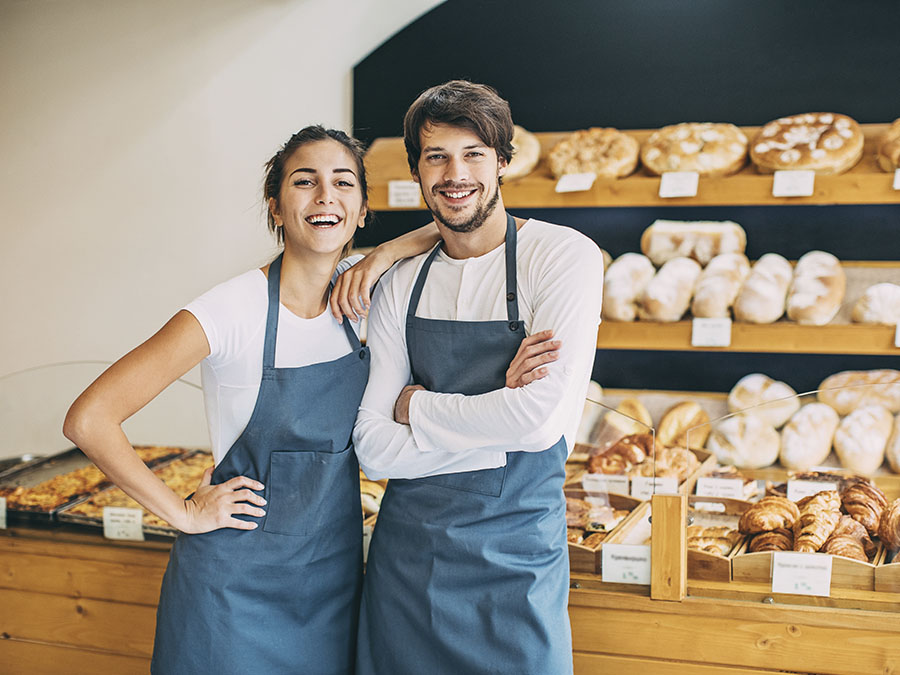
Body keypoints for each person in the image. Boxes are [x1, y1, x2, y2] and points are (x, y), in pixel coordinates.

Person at [63, 124, 555, 674]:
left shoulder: (366, 293)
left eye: (344, 184)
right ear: (275, 207)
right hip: (233, 591)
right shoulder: (230, 310)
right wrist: (181, 513)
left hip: (331, 582)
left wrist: (384, 252)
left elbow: (447, 234)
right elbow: (90, 418)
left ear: (363, 210)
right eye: (305, 182)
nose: (326, 197)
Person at [353, 80, 605, 675]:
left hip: (515, 563)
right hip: (407, 564)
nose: (454, 173)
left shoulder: (562, 256)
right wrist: (499, 429)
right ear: (416, 171)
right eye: (436, 156)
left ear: (502, 162)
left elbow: (538, 421)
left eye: (473, 154)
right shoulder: (399, 281)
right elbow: (372, 448)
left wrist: (415, 407)